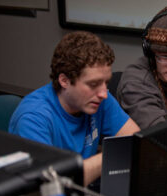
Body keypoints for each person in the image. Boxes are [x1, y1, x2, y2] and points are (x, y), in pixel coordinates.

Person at [8, 31, 140, 186]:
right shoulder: (33, 118)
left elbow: (137, 142)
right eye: (93, 84)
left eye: (106, 82)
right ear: (64, 80)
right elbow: (52, 187)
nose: (104, 93)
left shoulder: (98, 98)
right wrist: (111, 156)